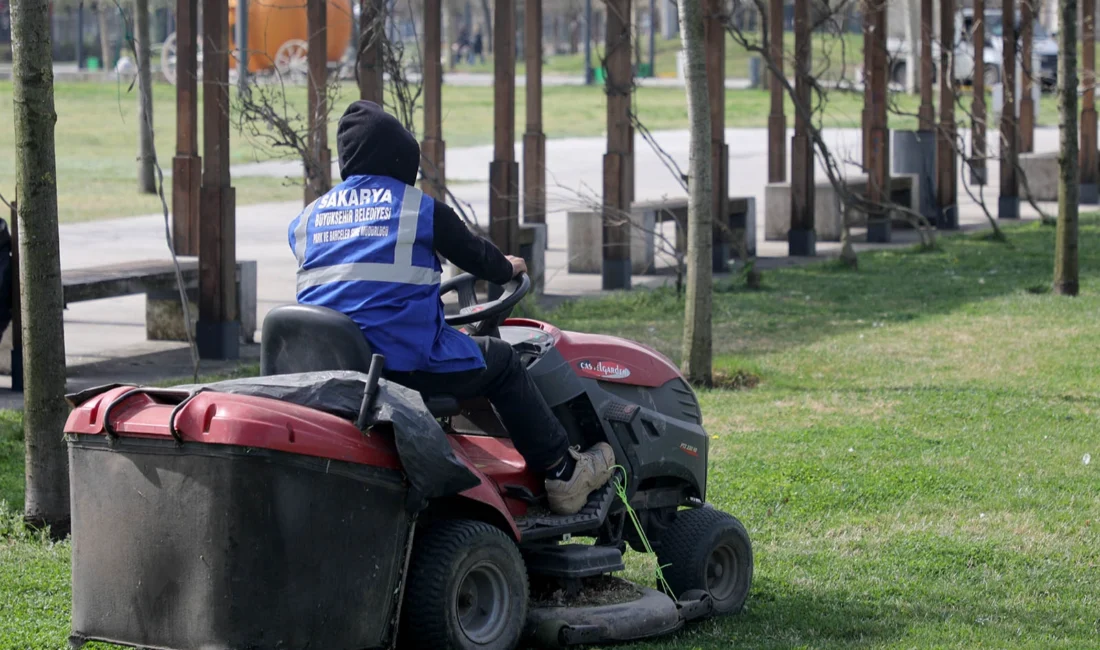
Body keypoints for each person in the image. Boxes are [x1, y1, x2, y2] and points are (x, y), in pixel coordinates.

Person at [288, 101, 614, 515]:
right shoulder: (417, 209)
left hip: (331, 368)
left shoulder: (307, 219)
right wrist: (504, 266)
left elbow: (356, 283)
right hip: (400, 368)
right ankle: (563, 471)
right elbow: (478, 257)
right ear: (402, 158)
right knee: (502, 361)